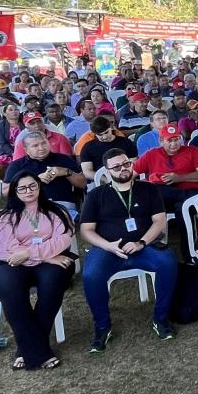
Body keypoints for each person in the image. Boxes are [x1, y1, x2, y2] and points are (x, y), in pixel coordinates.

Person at [78, 150, 179, 351]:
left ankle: (161, 318)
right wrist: (108, 246)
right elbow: (85, 231)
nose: (123, 169)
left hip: (143, 245)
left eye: (126, 164)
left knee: (168, 262)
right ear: (107, 171)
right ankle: (102, 327)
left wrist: (141, 242)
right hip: (108, 249)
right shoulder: (96, 195)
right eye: (116, 167)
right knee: (91, 275)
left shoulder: (149, 189)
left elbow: (159, 221)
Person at [0, 173, 75, 371]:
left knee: (53, 280)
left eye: (32, 186)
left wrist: (31, 254)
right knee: (11, 289)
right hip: (6, 264)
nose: (28, 191)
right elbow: (3, 250)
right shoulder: (2, 216)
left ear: (39, 187)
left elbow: (63, 240)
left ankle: (25, 350)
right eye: (22, 188)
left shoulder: (56, 211)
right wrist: (45, 254)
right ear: (15, 191)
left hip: (49, 262)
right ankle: (39, 351)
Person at [6, 130, 85, 212]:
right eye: (35, 146)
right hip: (29, 208)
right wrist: (35, 180)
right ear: (26, 149)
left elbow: (83, 184)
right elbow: (5, 191)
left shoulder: (64, 159)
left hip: (62, 206)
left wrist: (66, 172)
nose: (41, 148)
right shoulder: (17, 165)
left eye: (44, 143)